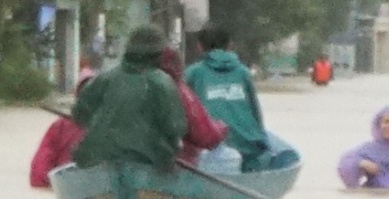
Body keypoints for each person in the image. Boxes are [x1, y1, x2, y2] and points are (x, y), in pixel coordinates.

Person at [65, 26, 187, 171]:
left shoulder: (104, 78)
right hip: (147, 161)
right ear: (159, 53)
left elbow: (78, 115)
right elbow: (176, 128)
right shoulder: (162, 83)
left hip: (94, 159)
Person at [185, 23, 276, 171]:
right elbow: (256, 114)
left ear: (200, 47)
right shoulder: (243, 72)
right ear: (230, 45)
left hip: (208, 147)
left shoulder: (192, 73)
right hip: (247, 146)